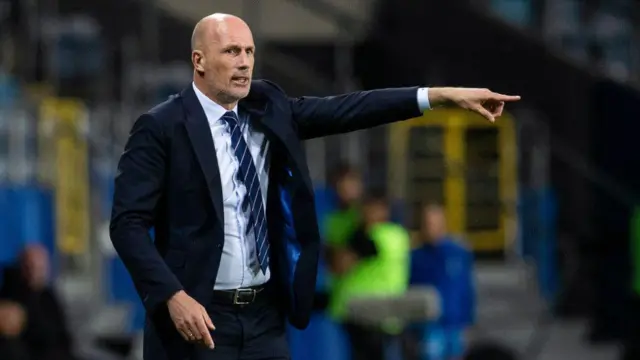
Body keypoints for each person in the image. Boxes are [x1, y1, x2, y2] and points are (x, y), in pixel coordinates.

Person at [109, 12, 520, 360]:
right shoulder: (160, 128)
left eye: (250, 52)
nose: (245, 62)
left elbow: (348, 109)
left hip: (263, 319)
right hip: (196, 318)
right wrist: (172, 297)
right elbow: (127, 224)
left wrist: (437, 95)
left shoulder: (267, 109)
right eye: (231, 51)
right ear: (199, 60)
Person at [328, 192, 411, 360]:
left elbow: (339, 265)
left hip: (370, 315)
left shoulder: (375, 236)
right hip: (380, 316)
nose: (365, 213)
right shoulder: (397, 234)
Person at [407, 204, 476, 360]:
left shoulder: (458, 253)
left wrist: (469, 318)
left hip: (455, 325)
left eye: (435, 223)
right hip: (429, 326)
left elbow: (467, 288)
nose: (431, 228)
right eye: (427, 223)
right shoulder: (414, 257)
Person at [0, 244, 77, 360]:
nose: (35, 272)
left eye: (40, 268)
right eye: (30, 267)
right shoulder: (11, 295)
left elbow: (62, 335)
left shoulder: (48, 296)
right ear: (22, 267)